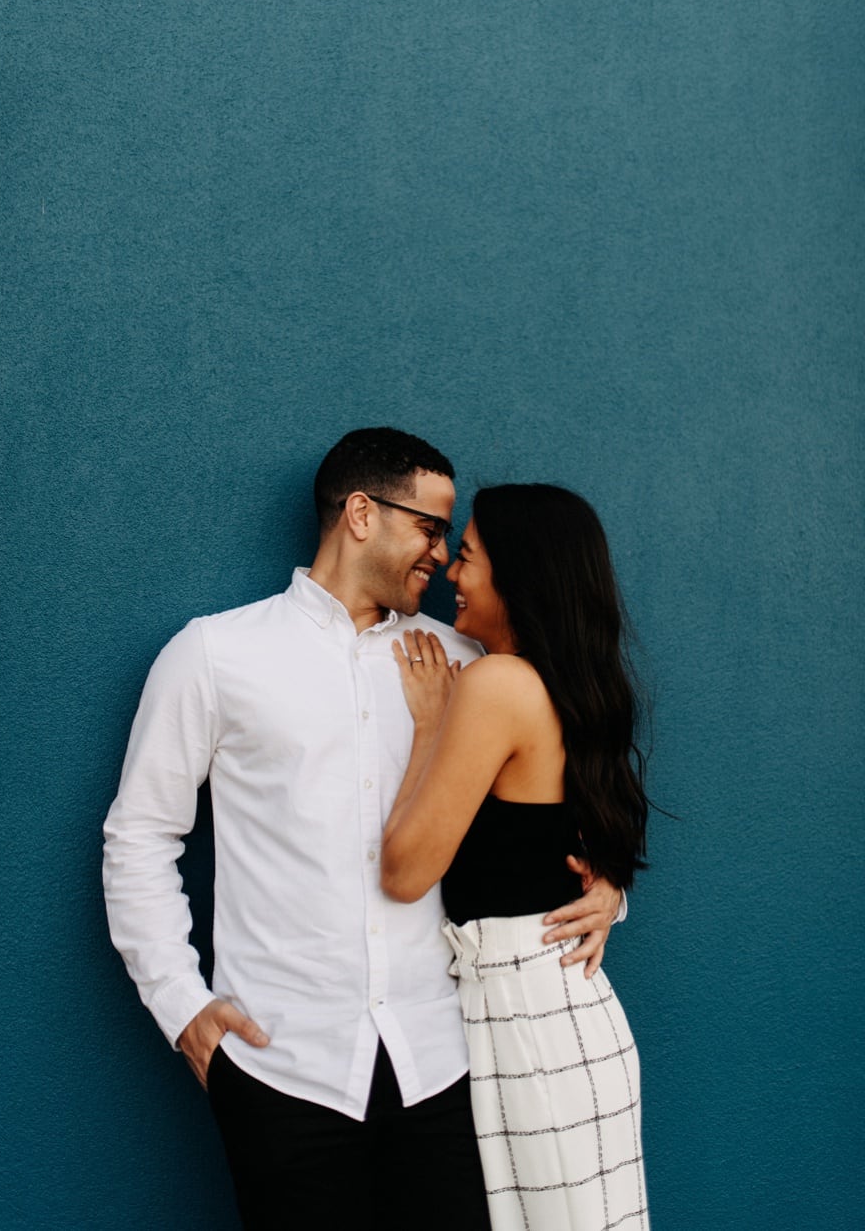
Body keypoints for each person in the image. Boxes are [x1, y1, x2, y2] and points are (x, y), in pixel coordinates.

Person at [102, 428, 625, 1230]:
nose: (443, 557)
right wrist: (181, 1006)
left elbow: (555, 801)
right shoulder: (215, 655)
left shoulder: (468, 665)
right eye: (429, 528)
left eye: (454, 539)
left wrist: (609, 892)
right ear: (358, 514)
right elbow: (139, 837)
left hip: (447, 1070)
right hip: (284, 1071)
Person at [382, 485, 649, 1229]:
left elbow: (405, 872)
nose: (450, 575)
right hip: (555, 1016)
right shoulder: (569, 686)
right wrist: (612, 892)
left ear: (518, 576)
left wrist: (431, 726)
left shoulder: (498, 685)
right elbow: (576, 847)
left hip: (531, 1028)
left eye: (466, 557)